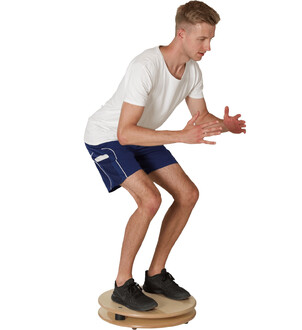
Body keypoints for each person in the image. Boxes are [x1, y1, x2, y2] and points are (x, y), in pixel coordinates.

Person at [84, 0, 246, 312]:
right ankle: (121, 284)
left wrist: (224, 126)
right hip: (108, 136)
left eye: (211, 39)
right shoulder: (145, 66)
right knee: (150, 199)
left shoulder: (192, 71)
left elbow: (199, 118)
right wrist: (182, 137)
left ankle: (156, 275)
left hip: (140, 134)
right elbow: (125, 134)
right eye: (203, 39)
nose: (209, 47)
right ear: (181, 34)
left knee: (188, 194)